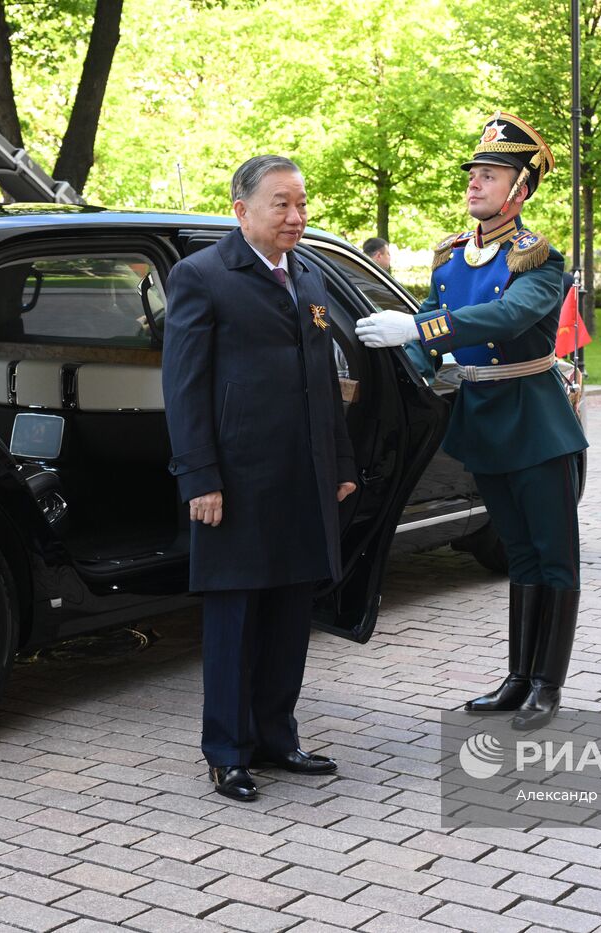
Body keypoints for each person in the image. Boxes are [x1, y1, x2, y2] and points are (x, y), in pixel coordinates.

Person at [356, 113, 587, 731]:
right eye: (474, 174)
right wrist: (393, 355)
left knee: (554, 556)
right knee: (517, 554)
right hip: (482, 419)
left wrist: (421, 328)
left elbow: (507, 317)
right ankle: (516, 678)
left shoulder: (536, 258)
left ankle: (547, 684)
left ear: (520, 190)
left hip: (534, 421)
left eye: (490, 175)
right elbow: (425, 333)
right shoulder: (451, 258)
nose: (475, 184)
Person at [162, 155, 357, 803]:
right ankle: (227, 751)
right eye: (282, 203)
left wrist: (342, 466)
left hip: (302, 479)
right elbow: (184, 387)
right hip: (235, 484)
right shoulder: (202, 277)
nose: (296, 216)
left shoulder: (309, 276)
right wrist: (200, 477)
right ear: (242, 210)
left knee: (286, 616)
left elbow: (323, 381)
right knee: (234, 619)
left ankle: (277, 736)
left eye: (302, 203)